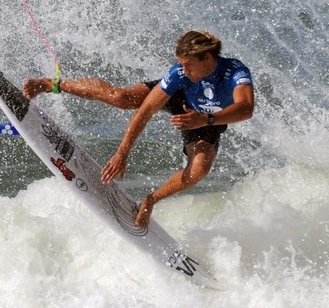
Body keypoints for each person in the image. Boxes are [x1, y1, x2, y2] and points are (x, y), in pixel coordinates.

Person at [23, 31, 254, 228]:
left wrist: (206, 120)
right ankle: (50, 84)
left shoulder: (234, 72)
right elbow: (145, 111)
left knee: (198, 170)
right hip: (183, 101)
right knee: (121, 97)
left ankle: (151, 200)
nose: (183, 69)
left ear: (206, 58)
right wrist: (122, 152)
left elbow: (245, 108)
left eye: (188, 64)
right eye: (181, 64)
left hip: (207, 117)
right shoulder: (179, 75)